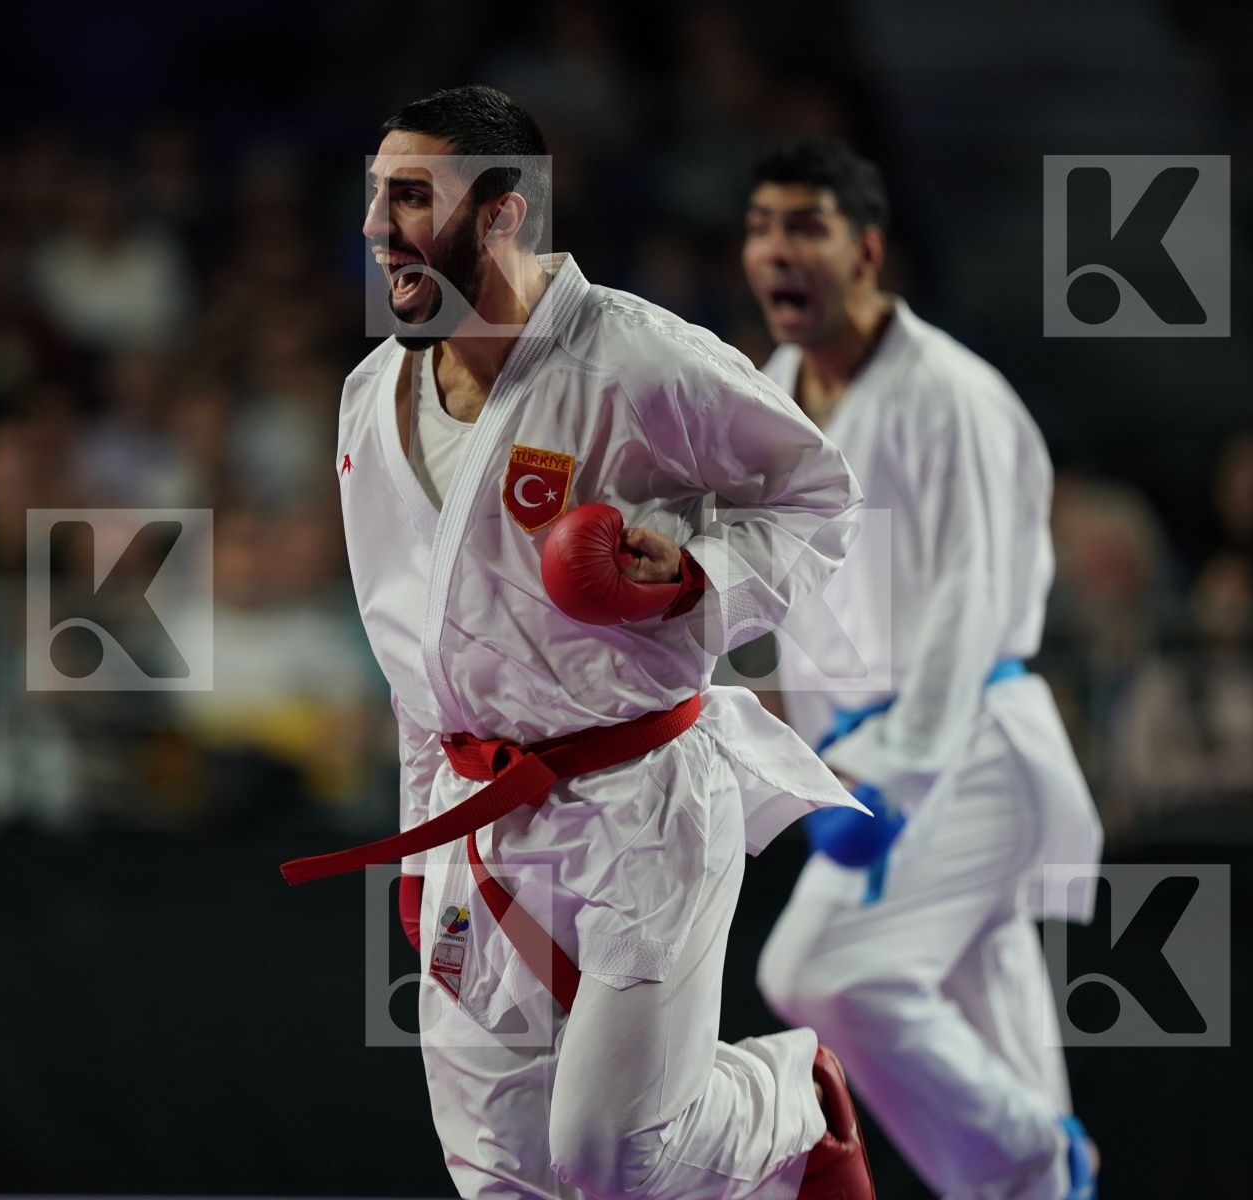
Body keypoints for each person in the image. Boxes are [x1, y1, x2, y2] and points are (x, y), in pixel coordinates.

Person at [282, 86, 875, 1199]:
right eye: (374, 194)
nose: (374, 225)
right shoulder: (371, 400)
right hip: (475, 816)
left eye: (410, 196)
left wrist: (695, 571)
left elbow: (818, 499)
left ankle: (789, 1097)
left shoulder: (637, 362)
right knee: (498, 1175)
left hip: (637, 803)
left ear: (503, 212)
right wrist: (419, 846)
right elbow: (421, 670)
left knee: (612, 1155)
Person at [742, 137, 1104, 1200]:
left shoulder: (951, 395)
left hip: (962, 753)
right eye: (761, 226)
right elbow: (770, 587)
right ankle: (1042, 1167)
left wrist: (886, 774)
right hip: (863, 753)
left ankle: (1040, 1152)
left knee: (811, 971)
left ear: (866, 251)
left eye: (805, 225)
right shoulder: (766, 392)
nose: (776, 249)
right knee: (1009, 1095)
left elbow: (970, 601)